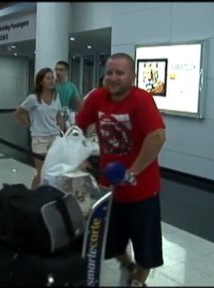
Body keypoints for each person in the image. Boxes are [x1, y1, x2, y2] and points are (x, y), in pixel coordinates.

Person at [75, 53, 166, 287]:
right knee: (111, 243)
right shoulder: (97, 97)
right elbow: (78, 127)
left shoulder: (141, 100)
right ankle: (127, 265)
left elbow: (157, 137)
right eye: (110, 72)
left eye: (120, 73)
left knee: (146, 250)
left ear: (132, 77)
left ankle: (137, 282)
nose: (113, 78)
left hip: (142, 192)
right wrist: (80, 155)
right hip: (109, 191)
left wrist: (131, 172)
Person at [14, 67, 63, 190]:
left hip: (55, 137)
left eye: (52, 78)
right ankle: (33, 194)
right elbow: (18, 113)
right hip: (40, 138)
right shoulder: (33, 98)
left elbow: (58, 115)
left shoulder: (56, 97)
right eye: (48, 78)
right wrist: (29, 125)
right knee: (42, 173)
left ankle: (50, 196)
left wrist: (64, 129)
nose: (51, 81)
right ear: (41, 81)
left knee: (54, 172)